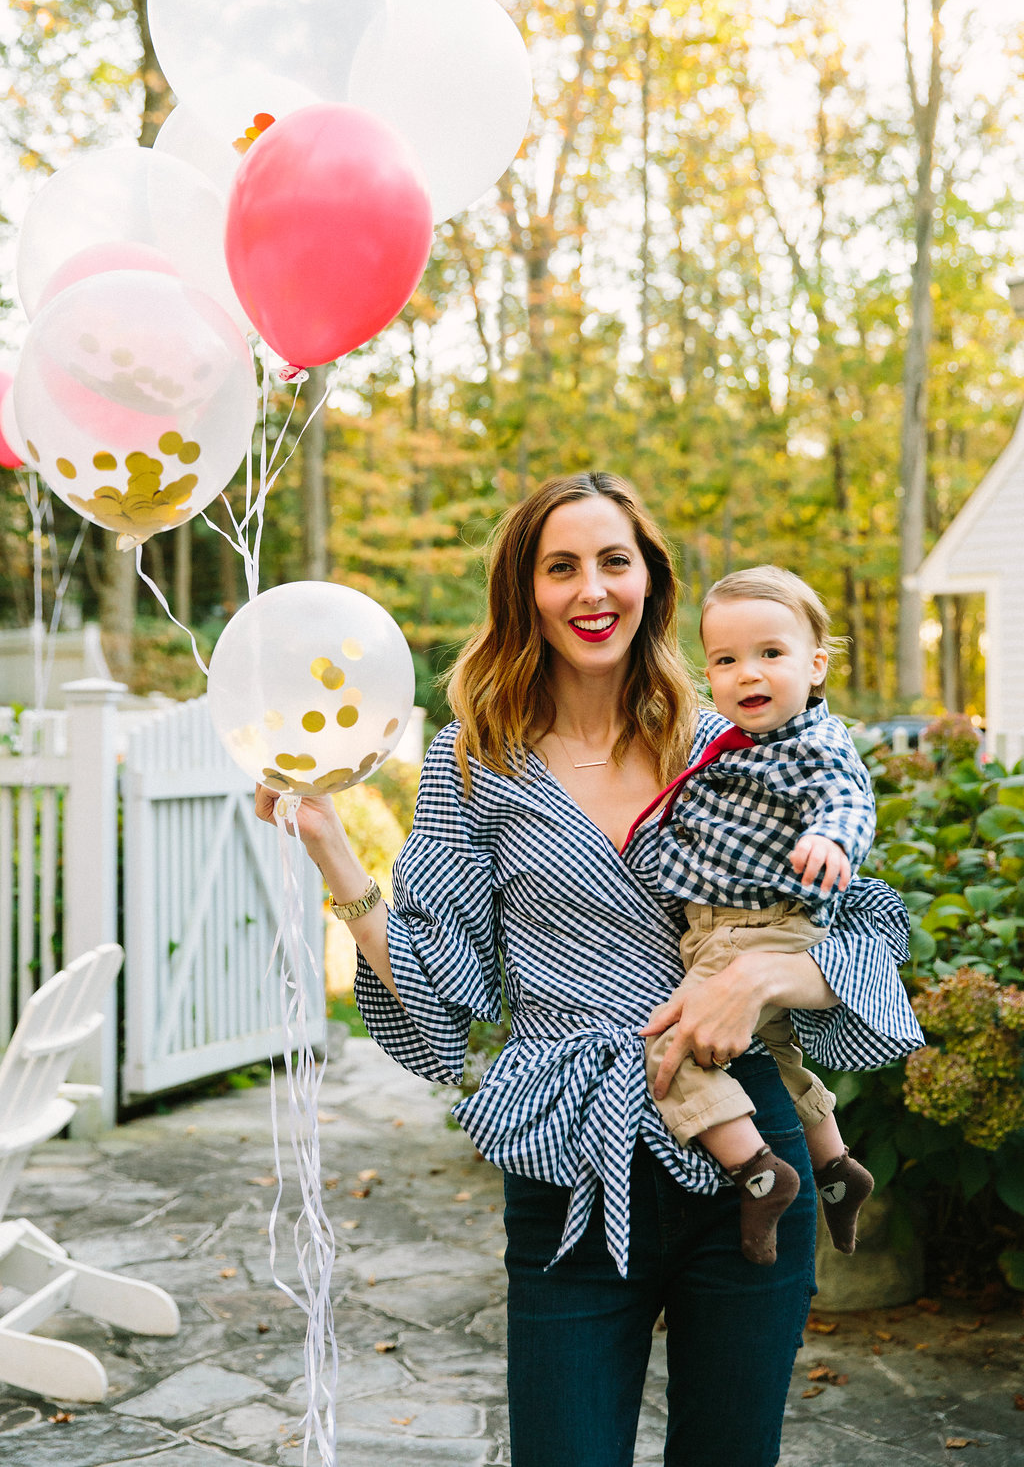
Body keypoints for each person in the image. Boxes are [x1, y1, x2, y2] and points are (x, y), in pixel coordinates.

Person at [254, 471, 923, 1467]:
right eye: (558, 567)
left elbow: (864, 940)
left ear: (648, 581)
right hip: (572, 1159)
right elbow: (440, 1005)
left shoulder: (731, 742)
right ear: (524, 593)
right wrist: (331, 851)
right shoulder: (471, 763)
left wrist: (756, 982)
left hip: (749, 1160)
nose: (590, 589)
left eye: (613, 561)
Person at [641, 566, 876, 1268]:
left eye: (771, 654)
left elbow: (848, 797)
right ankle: (835, 1165)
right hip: (729, 923)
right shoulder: (730, 744)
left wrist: (830, 838)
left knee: (673, 1045)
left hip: (758, 926)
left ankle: (758, 1172)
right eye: (726, 659)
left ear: (816, 664)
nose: (750, 674)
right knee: (772, 1055)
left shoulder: (815, 741)